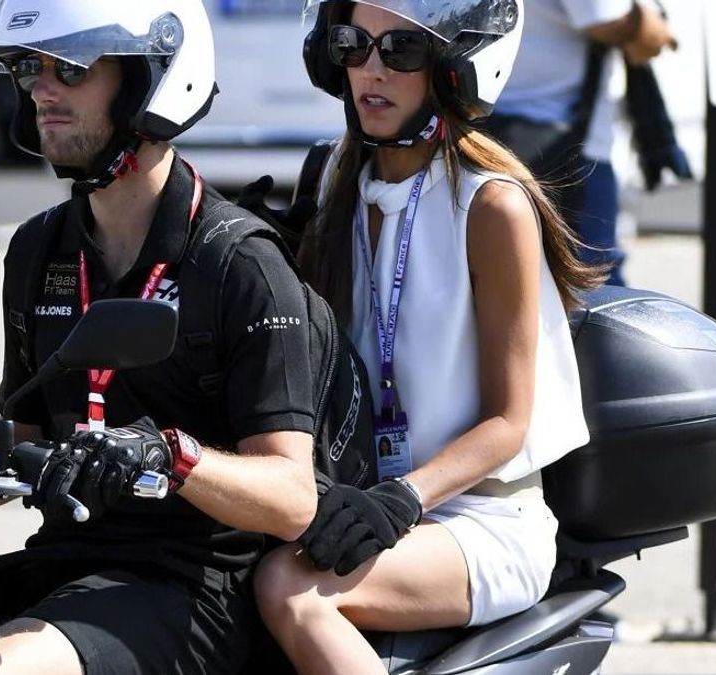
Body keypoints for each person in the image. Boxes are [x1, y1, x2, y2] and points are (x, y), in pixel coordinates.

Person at [0, 2, 324, 674]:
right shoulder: (39, 249)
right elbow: (30, 432)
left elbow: (293, 496)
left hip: (188, 588)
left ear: (150, 79)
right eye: (27, 66)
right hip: (64, 560)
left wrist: (165, 454)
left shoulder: (238, 263)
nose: (41, 88)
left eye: (69, 68)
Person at [253, 1, 602, 673]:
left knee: (288, 588)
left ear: (453, 67)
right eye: (353, 45)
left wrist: (404, 496)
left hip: (480, 518)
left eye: (402, 50)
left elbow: (509, 419)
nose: (370, 69)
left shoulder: (491, 204)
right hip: (358, 501)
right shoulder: (336, 182)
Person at [486, 0, 677, 286]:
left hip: (491, 127)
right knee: (593, 294)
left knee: (504, 279)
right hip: (570, 149)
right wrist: (655, 23)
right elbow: (626, 30)